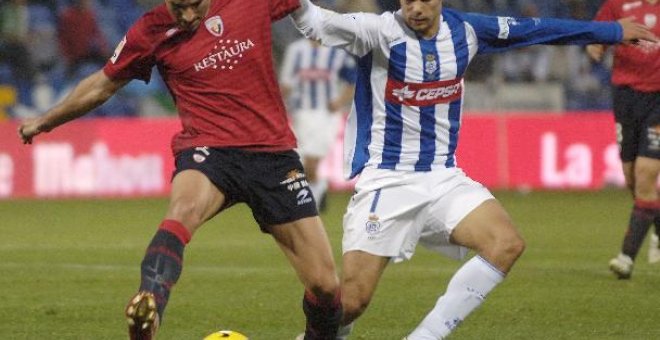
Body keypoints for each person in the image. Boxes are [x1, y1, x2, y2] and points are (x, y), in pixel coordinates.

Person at [290, 0, 658, 338]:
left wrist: (610, 31)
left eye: (424, 0)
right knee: (351, 302)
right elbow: (319, 22)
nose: (415, 8)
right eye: (407, 0)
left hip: (444, 178)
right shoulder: (378, 31)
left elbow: (538, 29)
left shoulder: (466, 30)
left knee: (506, 243)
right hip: (388, 182)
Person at [17, 1, 343, 339]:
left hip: (273, 155)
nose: (187, 17)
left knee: (325, 285)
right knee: (182, 209)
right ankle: (150, 303)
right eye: (179, 7)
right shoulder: (151, 29)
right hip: (209, 150)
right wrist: (46, 120)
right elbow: (102, 84)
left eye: (194, 6)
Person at [586, 0, 660, 279]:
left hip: (658, 99)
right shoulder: (617, 4)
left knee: (644, 174)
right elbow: (597, 34)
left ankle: (626, 257)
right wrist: (595, 46)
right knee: (632, 178)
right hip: (626, 97)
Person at [279, 37, 356, 211]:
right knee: (300, 161)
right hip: (300, 112)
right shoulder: (296, 50)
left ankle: (309, 199)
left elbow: (353, 80)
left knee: (312, 159)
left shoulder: (337, 52)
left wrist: (340, 101)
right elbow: (286, 83)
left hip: (326, 114)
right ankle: (316, 188)